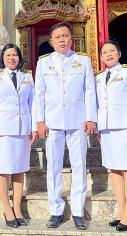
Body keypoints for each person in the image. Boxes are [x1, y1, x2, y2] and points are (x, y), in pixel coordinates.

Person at [35, 22, 97, 230]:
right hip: (52, 123)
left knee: (79, 166)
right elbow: (39, 95)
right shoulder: (44, 63)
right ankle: (56, 210)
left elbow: (90, 91)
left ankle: (78, 211)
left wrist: (91, 118)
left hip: (78, 121)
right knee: (53, 167)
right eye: (57, 37)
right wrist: (40, 121)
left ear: (71, 39)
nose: (62, 40)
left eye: (65, 36)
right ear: (51, 41)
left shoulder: (83, 61)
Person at [0, 44, 38, 228]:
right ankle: (6, 208)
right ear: (3, 58)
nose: (11, 58)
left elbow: (34, 103)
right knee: (2, 169)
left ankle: (17, 208)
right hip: (3, 131)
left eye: (14, 55)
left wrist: (34, 127)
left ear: (19, 57)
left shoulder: (27, 77)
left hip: (22, 130)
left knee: (19, 168)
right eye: (8, 55)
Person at [95, 40, 127, 232]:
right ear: (100, 57)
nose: (108, 54)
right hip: (106, 128)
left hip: (124, 127)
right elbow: (98, 104)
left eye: (112, 51)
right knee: (114, 169)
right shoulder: (98, 77)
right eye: (104, 52)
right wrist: (98, 128)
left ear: (119, 53)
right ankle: (121, 209)